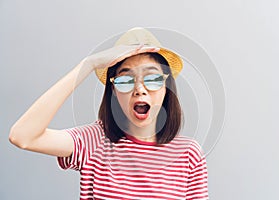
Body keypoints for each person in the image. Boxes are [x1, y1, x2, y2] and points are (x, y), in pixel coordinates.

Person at [9, 27, 209, 199]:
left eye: (152, 78)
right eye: (125, 80)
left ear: (167, 87)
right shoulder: (94, 142)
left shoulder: (188, 154)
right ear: (113, 91)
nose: (139, 89)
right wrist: (89, 64)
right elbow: (22, 136)